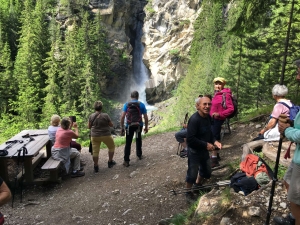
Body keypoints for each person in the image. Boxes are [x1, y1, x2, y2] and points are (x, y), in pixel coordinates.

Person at [185, 96, 222, 203]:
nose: (207, 106)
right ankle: (188, 192)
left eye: (209, 104)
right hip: (194, 151)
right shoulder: (194, 120)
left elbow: (209, 133)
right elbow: (190, 139)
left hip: (204, 150)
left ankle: (198, 185)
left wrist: (215, 142)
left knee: (206, 171)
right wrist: (206, 144)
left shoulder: (208, 117)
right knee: (192, 172)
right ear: (198, 106)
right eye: (204, 104)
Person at [272, 112, 300, 225]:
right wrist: (292, 123)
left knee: (296, 201)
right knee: (287, 181)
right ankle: (294, 217)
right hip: (297, 158)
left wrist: (287, 130)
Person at [120, 91, 148, 167]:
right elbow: (145, 116)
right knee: (138, 139)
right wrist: (146, 126)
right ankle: (139, 155)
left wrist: (122, 127)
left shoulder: (126, 105)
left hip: (129, 126)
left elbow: (122, 116)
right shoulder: (141, 104)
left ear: (131, 96)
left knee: (128, 142)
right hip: (138, 126)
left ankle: (126, 161)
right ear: (138, 96)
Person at [210, 77, 234, 167]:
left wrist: (219, 114)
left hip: (218, 119)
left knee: (214, 136)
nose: (217, 85)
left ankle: (214, 159)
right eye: (216, 84)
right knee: (214, 135)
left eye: (220, 84)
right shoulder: (216, 94)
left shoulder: (226, 94)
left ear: (223, 85)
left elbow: (231, 109)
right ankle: (216, 155)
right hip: (212, 119)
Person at [88, 100, 116, 173]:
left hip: (94, 136)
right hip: (106, 135)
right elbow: (111, 125)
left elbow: (89, 127)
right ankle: (110, 162)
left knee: (95, 152)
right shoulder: (105, 115)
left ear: (95, 108)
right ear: (101, 108)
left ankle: (96, 166)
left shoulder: (91, 116)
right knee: (111, 147)